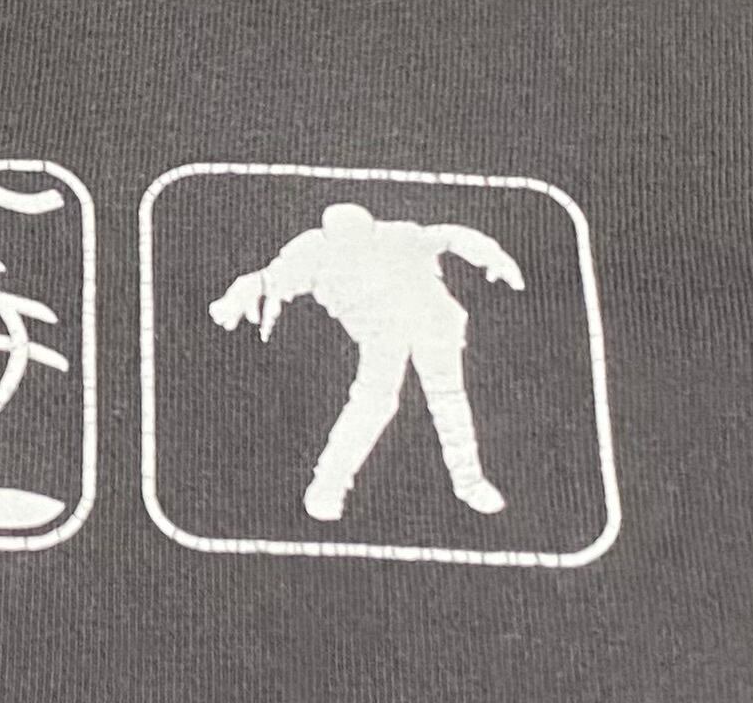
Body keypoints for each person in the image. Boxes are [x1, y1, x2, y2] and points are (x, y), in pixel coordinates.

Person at [214, 198, 524, 522]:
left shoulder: (399, 236)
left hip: (432, 323)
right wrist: (252, 286)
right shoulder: (314, 252)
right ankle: (328, 486)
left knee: (446, 401)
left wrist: (491, 254)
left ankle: (469, 483)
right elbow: (272, 277)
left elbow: (450, 235)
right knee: (375, 403)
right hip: (384, 335)